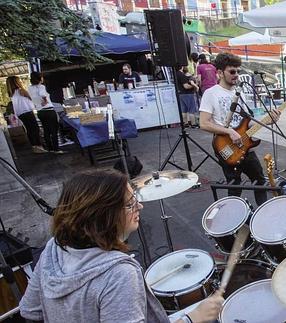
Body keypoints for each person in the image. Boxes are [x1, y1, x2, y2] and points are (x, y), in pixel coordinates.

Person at [19, 170, 224, 323]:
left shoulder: (53, 250)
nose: (140, 206)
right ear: (102, 216)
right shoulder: (119, 274)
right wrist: (193, 318)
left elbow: (30, 310)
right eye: (129, 204)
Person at [199, 52, 280, 206]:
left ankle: (263, 212)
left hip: (245, 145)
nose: (236, 75)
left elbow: (247, 122)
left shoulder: (239, 93)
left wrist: (267, 121)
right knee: (235, 185)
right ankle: (234, 220)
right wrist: (229, 131)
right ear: (220, 73)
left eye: (238, 71)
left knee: (259, 180)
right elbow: (204, 123)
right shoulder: (211, 94)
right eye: (232, 71)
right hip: (226, 145)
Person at [6, 76, 45, 153]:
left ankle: (35, 147)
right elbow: (32, 98)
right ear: (16, 82)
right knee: (35, 129)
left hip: (20, 114)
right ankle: (38, 146)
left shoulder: (12, 93)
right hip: (27, 112)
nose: (20, 81)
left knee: (29, 129)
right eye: (19, 80)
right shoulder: (21, 90)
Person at [28, 72, 63, 154]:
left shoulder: (30, 88)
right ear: (40, 78)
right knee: (54, 130)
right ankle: (56, 149)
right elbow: (42, 94)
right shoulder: (41, 87)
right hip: (49, 110)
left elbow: (31, 97)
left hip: (40, 112)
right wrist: (45, 101)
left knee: (46, 130)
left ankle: (50, 148)